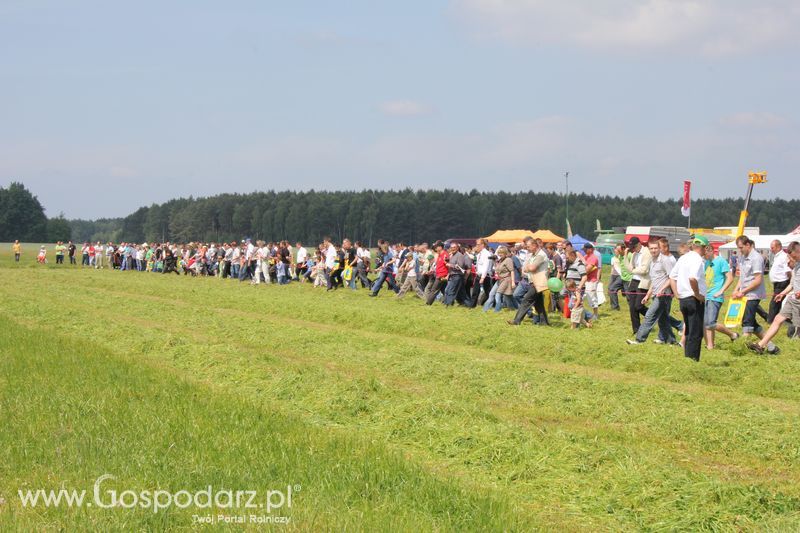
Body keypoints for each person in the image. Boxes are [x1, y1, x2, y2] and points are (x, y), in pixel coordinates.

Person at [748, 241, 800, 354]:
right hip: (793, 300)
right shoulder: (796, 266)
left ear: (798, 251)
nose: (791, 258)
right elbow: (792, 284)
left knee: (797, 329)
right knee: (777, 319)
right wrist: (782, 294)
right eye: (790, 256)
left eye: (793, 256)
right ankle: (760, 345)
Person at [627, 241, 681, 345]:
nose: (653, 250)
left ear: (659, 248)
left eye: (655, 248)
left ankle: (639, 340)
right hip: (656, 293)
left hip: (664, 295)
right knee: (663, 319)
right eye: (651, 248)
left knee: (649, 315)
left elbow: (672, 278)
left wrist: (662, 289)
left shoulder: (665, 260)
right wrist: (648, 295)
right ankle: (672, 340)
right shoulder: (652, 261)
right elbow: (654, 280)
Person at [732, 236, 778, 353]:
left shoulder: (756, 258)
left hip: (753, 295)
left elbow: (757, 280)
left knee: (747, 321)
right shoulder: (742, 258)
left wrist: (742, 291)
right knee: (751, 322)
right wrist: (736, 290)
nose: (740, 250)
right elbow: (742, 278)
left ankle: (741, 349)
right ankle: (772, 347)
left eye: (741, 247)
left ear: (748, 245)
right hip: (744, 294)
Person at [668, 237, 708, 361]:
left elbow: (672, 277)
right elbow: (692, 278)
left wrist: (677, 294)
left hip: (683, 299)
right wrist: (697, 294)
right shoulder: (697, 259)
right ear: (704, 247)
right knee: (696, 333)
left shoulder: (684, 257)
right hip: (693, 299)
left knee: (689, 330)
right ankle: (692, 360)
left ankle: (687, 358)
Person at [703, 244, 739, 349]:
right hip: (706, 295)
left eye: (705, 254)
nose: (704, 256)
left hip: (715, 297)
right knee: (706, 323)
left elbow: (730, 278)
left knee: (710, 323)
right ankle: (710, 345)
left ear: (711, 251)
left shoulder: (721, 261)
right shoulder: (706, 262)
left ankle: (732, 334)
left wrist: (721, 291)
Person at [507, 237, 549, 326]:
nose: (527, 248)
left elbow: (532, 268)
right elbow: (526, 267)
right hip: (534, 282)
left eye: (529, 246)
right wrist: (527, 267)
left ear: (534, 245)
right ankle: (544, 322)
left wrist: (527, 268)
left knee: (526, 300)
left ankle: (516, 321)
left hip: (538, 283)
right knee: (539, 304)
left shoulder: (541, 255)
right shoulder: (533, 255)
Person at [624, 237, 651, 335]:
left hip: (643, 282)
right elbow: (628, 268)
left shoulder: (647, 252)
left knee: (638, 306)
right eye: (631, 247)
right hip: (634, 281)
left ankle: (653, 316)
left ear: (639, 244)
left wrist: (633, 270)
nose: (633, 249)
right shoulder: (634, 253)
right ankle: (636, 330)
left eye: (634, 246)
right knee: (632, 308)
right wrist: (626, 256)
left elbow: (644, 270)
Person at [768, 239, 791, 324]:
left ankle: (770, 321)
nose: (771, 249)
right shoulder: (777, 256)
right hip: (777, 283)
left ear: (778, 247)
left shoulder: (783, 256)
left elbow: (788, 271)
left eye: (772, 247)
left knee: (775, 302)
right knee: (779, 302)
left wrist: (791, 282)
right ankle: (779, 319)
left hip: (783, 282)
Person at [582, 243, 600, 320]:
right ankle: (584, 313)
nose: (584, 251)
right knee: (581, 298)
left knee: (592, 298)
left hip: (591, 281)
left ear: (590, 249)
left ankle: (595, 315)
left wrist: (581, 270)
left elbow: (587, 270)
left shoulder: (594, 258)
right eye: (584, 250)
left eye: (585, 249)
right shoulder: (585, 257)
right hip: (585, 280)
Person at [608, 244, 627, 311]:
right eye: (615, 250)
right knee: (610, 289)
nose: (615, 251)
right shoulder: (613, 258)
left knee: (612, 289)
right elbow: (612, 268)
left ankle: (615, 307)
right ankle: (613, 306)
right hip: (614, 275)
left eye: (617, 250)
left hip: (621, 276)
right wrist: (611, 276)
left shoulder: (622, 257)